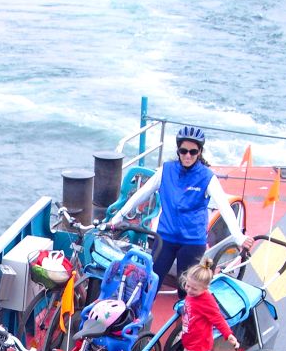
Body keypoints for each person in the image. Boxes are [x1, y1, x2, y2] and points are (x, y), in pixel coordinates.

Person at [108, 124, 254, 296]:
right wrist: (119, 217)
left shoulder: (207, 177)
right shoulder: (166, 171)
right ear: (178, 150)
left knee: (187, 292)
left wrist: (239, 237)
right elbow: (142, 193)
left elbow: (224, 207)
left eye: (193, 152)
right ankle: (141, 320)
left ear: (199, 152)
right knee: (149, 285)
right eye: (184, 151)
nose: (188, 156)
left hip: (192, 242)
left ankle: (185, 323)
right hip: (165, 238)